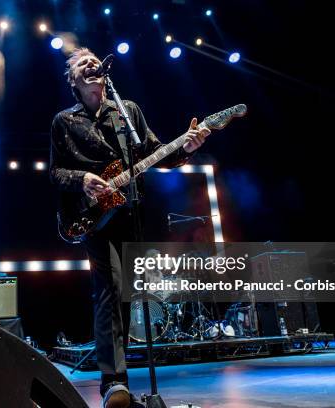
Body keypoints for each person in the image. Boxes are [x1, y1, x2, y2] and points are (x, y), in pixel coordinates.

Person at [49, 48, 210, 408]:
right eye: (80, 64)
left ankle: (122, 382)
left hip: (128, 210)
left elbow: (154, 152)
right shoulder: (65, 120)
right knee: (109, 289)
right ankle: (114, 383)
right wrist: (83, 179)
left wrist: (185, 147)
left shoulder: (127, 110)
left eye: (93, 60)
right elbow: (56, 173)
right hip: (90, 215)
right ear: (72, 80)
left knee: (125, 293)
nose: (90, 64)